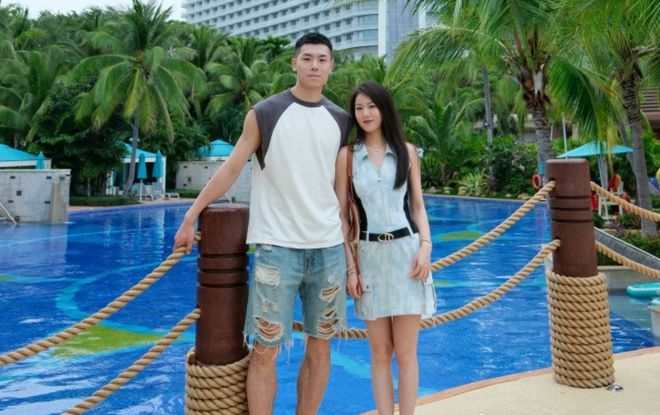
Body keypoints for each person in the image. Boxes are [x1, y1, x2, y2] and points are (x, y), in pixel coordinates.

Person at [173, 33, 353, 415]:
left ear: (331, 66)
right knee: (265, 349)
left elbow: (342, 195)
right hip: (277, 247)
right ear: (294, 63)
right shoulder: (265, 113)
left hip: (328, 248)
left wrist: (351, 257)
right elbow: (231, 168)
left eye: (322, 59)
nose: (315, 65)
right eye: (307, 58)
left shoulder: (341, 119)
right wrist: (191, 215)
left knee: (320, 346)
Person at [334, 80, 436, 415]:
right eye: (359, 108)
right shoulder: (347, 157)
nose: (365, 114)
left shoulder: (406, 151)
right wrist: (351, 269)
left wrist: (425, 247)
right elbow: (342, 218)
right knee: (379, 352)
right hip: (369, 258)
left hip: (407, 254)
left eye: (372, 106)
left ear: (384, 109)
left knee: (406, 353)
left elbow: (417, 206)